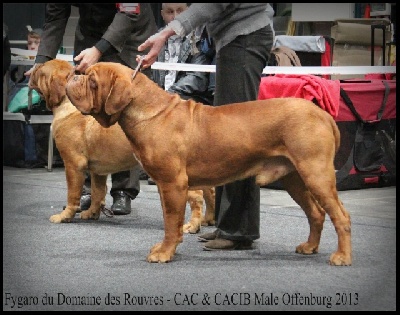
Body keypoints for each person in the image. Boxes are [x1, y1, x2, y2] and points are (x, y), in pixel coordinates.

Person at [137, 3, 274, 250]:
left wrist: (166, 33)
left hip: (246, 36)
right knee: (224, 138)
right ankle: (227, 224)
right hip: (234, 39)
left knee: (235, 139)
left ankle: (238, 230)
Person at [25, 3, 158, 215]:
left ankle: (123, 190)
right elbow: (55, 18)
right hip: (89, 34)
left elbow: (129, 11)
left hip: (130, 36)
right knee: (85, 117)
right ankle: (90, 191)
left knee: (128, 112)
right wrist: (41, 64)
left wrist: (100, 49)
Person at [147, 3, 215, 185]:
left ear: (189, 12)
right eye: (169, 12)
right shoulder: (154, 40)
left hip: (186, 100)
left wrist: (168, 96)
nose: (174, 16)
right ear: (162, 14)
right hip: (158, 100)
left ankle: (170, 167)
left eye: (180, 11)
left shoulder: (199, 39)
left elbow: (198, 77)